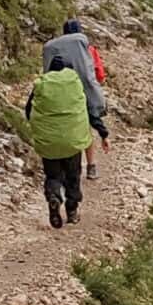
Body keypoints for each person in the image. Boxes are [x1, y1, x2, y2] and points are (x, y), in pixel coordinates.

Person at [24, 56, 105, 228]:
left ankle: (54, 195)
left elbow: (29, 111)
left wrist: (41, 128)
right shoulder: (75, 84)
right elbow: (88, 110)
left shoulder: (42, 84)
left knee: (53, 176)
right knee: (72, 176)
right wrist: (103, 132)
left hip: (49, 143)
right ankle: (72, 211)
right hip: (72, 142)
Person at [42, 20, 112, 181]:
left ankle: (62, 166)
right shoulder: (88, 49)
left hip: (59, 95)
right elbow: (99, 74)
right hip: (82, 93)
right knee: (85, 129)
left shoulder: (54, 49)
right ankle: (91, 166)